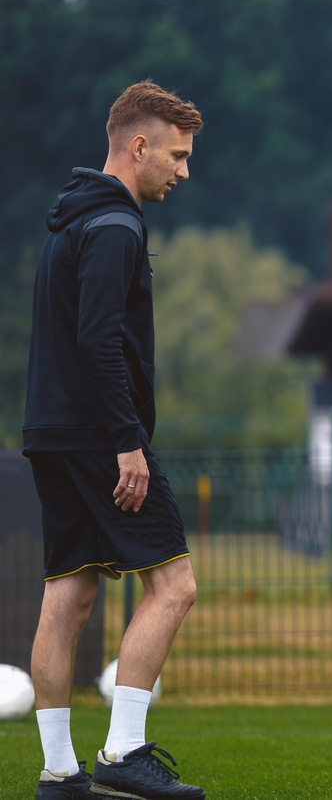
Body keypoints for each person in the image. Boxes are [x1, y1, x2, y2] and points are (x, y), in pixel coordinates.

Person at [24, 80, 205, 799]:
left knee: (68, 597)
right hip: (103, 436)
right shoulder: (116, 227)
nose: (183, 172)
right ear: (139, 146)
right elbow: (99, 339)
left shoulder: (71, 222)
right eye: (178, 155)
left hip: (51, 430)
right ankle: (123, 753)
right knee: (174, 586)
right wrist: (127, 440)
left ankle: (59, 771)